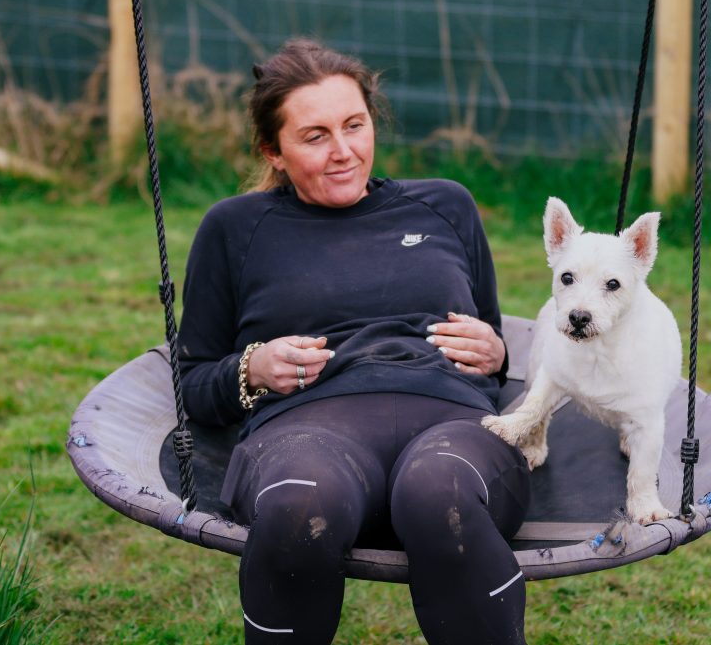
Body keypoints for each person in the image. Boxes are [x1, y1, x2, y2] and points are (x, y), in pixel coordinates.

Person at [178, 38, 530, 645]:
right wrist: (252, 369)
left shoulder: (445, 205)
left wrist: (495, 354)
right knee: (297, 508)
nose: (343, 152)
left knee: (438, 494)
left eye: (355, 126)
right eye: (315, 136)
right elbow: (193, 384)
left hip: (452, 420)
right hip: (305, 428)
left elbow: (495, 351)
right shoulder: (235, 227)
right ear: (274, 151)